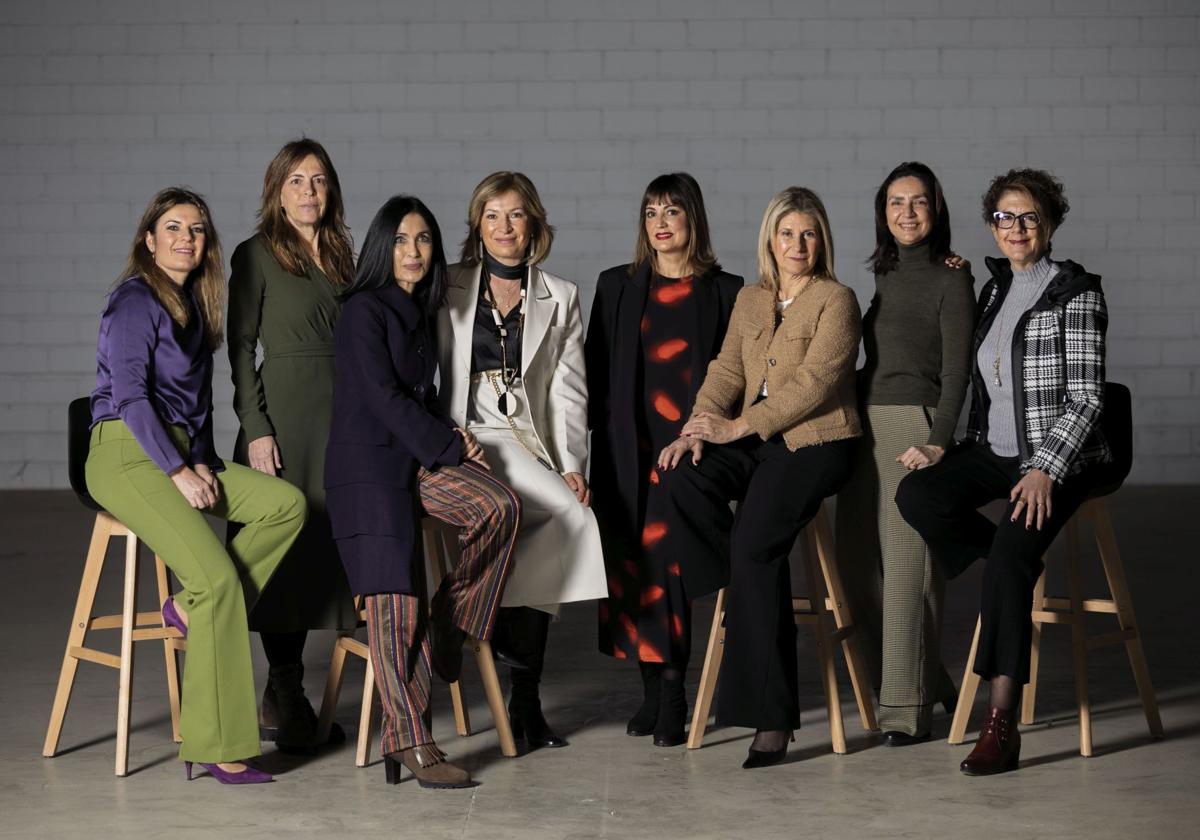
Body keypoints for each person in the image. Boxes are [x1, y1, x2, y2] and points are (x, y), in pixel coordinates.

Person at [85, 187, 306, 785]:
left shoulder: (193, 305)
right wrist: (177, 471)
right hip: (126, 455)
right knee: (218, 582)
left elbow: (197, 406)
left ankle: (188, 608)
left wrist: (202, 460)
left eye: (198, 230)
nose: (187, 238)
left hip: (180, 451)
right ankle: (217, 745)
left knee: (285, 505)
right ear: (149, 241)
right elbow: (130, 398)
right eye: (174, 228)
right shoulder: (134, 301)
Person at [896, 168, 1111, 775]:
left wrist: (1045, 468)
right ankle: (1010, 561)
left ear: (1050, 224)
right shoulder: (991, 290)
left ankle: (1000, 724)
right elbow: (984, 383)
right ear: (992, 224)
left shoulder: (1076, 292)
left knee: (1012, 556)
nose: (1016, 229)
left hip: (1055, 458)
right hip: (994, 451)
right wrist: (948, 448)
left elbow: (1088, 398)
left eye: (1029, 218)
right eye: (1004, 218)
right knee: (918, 496)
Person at [656, 187, 863, 768]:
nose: (797, 244)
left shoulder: (836, 300)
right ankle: (744, 589)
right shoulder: (751, 299)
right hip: (755, 439)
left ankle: (772, 720)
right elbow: (725, 370)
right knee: (680, 477)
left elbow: (813, 387)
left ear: (822, 240)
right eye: (786, 233)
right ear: (769, 240)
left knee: (753, 547)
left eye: (809, 233)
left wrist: (738, 427)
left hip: (815, 443)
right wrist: (697, 427)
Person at [325, 195, 520, 789]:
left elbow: (418, 396)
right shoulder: (363, 311)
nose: (413, 252)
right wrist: (450, 445)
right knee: (394, 610)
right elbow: (384, 398)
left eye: (424, 240)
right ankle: (410, 741)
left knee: (499, 506)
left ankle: (451, 619)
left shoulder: (419, 312)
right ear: (383, 248)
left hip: (413, 460)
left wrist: (451, 433)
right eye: (402, 240)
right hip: (367, 474)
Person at [436, 171, 608, 749]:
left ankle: (523, 688)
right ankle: (509, 662)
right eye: (491, 215)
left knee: (569, 515)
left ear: (533, 222)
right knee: (524, 516)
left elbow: (569, 389)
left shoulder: (560, 295)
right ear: (476, 224)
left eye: (515, 215)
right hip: (466, 435)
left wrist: (571, 463)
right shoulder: (448, 284)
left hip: (525, 436)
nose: (503, 227)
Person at [586, 172, 742, 746]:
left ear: (692, 219)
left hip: (690, 453)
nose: (660, 222)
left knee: (673, 567)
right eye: (651, 212)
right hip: (629, 447)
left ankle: (675, 691)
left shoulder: (726, 291)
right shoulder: (618, 286)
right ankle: (651, 693)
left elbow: (741, 380)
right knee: (632, 570)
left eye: (672, 211)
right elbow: (593, 372)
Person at [835, 161, 975, 746]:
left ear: (935, 209)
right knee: (856, 567)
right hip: (863, 422)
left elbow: (955, 369)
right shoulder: (886, 273)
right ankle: (931, 684)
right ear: (882, 211)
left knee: (907, 574)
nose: (907, 213)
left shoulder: (953, 278)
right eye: (896, 202)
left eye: (918, 202)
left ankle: (903, 711)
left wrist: (939, 439)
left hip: (914, 425)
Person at [227, 138, 357, 752]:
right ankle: (285, 689)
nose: (309, 191)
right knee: (281, 553)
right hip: (282, 417)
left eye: (319, 180)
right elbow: (239, 347)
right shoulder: (255, 254)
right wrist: (256, 428)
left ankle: (288, 696)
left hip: (341, 416)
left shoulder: (342, 254)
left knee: (323, 554)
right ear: (277, 190)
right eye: (297, 180)